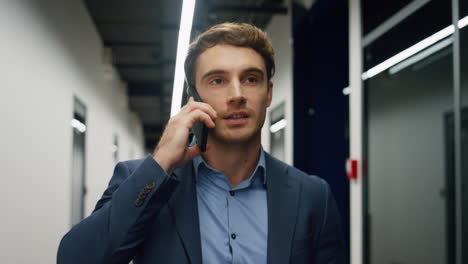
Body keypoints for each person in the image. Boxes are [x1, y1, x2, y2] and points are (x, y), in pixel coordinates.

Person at [57, 22, 345, 264]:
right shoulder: (142, 180)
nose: (236, 94)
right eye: (217, 80)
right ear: (193, 98)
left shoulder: (312, 196)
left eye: (251, 79)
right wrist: (159, 165)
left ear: (268, 93)